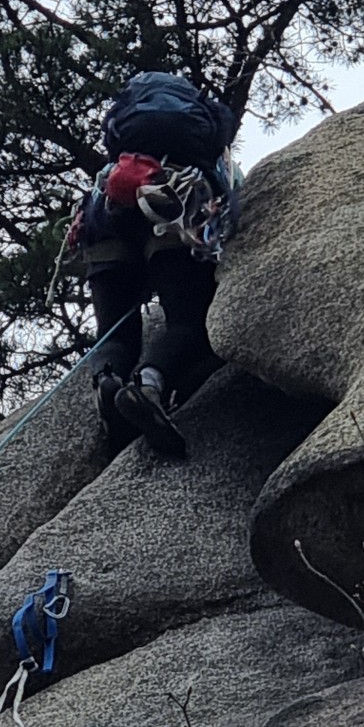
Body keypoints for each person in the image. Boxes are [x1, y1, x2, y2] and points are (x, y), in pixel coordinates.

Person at [70, 72, 240, 459]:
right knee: (187, 320)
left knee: (114, 335)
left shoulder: (124, 123)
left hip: (105, 217)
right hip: (172, 206)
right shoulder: (204, 118)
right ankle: (147, 386)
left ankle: (108, 381)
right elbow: (223, 153)